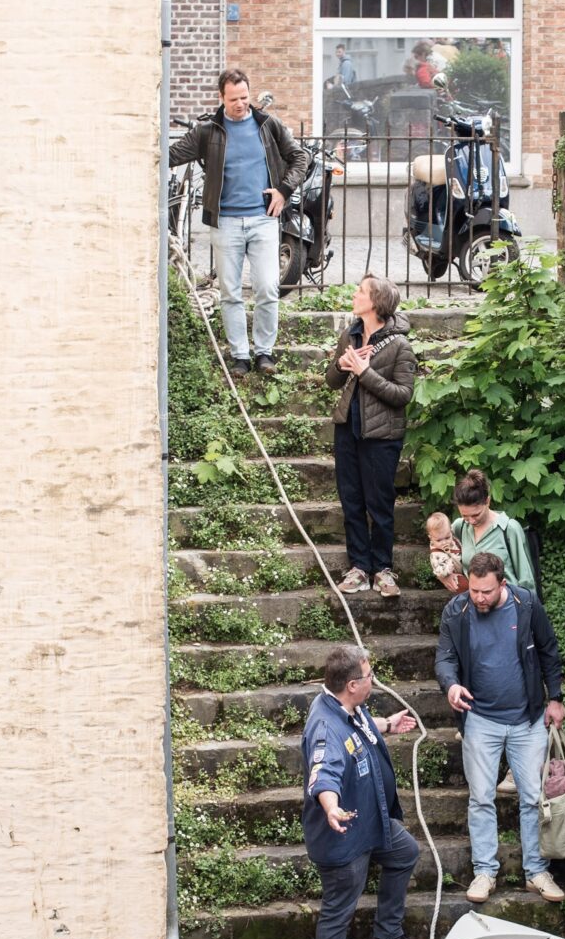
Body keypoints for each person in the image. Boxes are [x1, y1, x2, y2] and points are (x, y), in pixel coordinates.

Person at [436, 551, 565, 907]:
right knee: (481, 798)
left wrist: (555, 697)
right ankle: (485, 871)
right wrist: (450, 685)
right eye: (474, 590)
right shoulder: (457, 610)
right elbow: (445, 657)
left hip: (527, 719)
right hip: (479, 719)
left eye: (487, 592)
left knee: (531, 798)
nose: (479, 597)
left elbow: (548, 650)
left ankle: (536, 870)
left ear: (502, 584)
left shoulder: (526, 604)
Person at [301, 644, 423, 939]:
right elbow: (324, 773)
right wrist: (331, 807)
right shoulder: (324, 726)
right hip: (344, 834)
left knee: (405, 853)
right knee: (338, 911)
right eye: (370, 677)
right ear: (352, 684)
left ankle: (385, 935)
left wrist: (387, 725)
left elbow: (359, 732)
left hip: (372, 823)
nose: (374, 681)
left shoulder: (348, 707)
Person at [167, 67, 305, 376]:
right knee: (230, 292)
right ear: (221, 98)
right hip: (225, 222)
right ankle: (240, 355)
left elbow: (299, 157)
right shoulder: (208, 131)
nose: (240, 104)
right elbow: (173, 154)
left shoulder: (268, 125)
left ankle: (265, 353)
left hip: (263, 218)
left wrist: (283, 190)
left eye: (244, 97)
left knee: (268, 287)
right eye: (233, 99)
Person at [325, 274, 418, 599]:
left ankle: (383, 569)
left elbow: (403, 394)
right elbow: (332, 381)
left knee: (379, 504)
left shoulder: (399, 345)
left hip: (381, 436)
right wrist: (343, 364)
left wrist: (365, 373)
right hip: (347, 429)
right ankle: (359, 567)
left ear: (376, 302)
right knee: (351, 500)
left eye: (361, 292)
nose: (354, 294)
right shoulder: (349, 336)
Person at [449, 468, 536, 592]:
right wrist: (445, 576)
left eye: (476, 515)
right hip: (475, 604)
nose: (471, 521)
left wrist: (528, 608)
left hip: (508, 605)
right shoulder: (460, 526)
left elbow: (526, 579)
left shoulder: (509, 529)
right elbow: (437, 542)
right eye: (465, 516)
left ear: (487, 501)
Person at [426, 510, 466, 592]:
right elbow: (439, 572)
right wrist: (448, 569)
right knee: (461, 584)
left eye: (447, 537)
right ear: (431, 538)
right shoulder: (436, 554)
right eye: (439, 540)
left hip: (464, 568)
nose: (444, 542)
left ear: (451, 530)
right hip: (454, 575)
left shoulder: (454, 540)